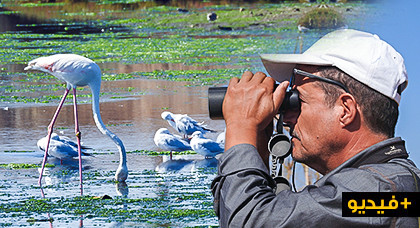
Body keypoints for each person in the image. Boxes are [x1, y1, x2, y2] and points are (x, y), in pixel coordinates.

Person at [211, 29, 420, 227]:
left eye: (297, 101)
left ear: (345, 110)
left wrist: (241, 126)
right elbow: (240, 216)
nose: (285, 119)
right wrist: (255, 154)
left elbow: (250, 222)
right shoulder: (384, 187)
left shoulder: (385, 194)